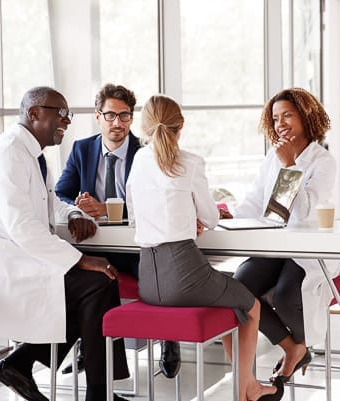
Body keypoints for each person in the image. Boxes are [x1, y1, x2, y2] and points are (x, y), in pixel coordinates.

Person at [0, 86, 129, 401]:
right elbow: (21, 225)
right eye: (61, 114)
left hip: (19, 259)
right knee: (98, 282)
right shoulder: (9, 153)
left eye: (68, 116)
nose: (67, 122)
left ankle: (27, 364)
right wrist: (78, 259)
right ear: (33, 114)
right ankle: (91, 391)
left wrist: (72, 213)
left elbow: (51, 199)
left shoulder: (31, 153)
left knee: (100, 282)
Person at [126, 95, 283, 401]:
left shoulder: (138, 160)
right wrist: (194, 218)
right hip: (184, 274)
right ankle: (247, 388)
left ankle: (245, 382)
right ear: (181, 126)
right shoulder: (191, 162)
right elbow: (210, 218)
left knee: (227, 301)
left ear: (143, 128)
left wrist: (182, 217)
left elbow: (136, 214)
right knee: (251, 305)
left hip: (149, 280)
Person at [54, 83, 180, 378]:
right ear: (98, 117)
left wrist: (111, 209)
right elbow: (59, 193)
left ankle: (169, 338)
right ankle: (90, 343)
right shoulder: (82, 149)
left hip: (138, 246)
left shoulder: (147, 151)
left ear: (132, 119)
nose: (117, 123)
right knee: (74, 274)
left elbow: (160, 201)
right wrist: (78, 206)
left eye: (124, 116)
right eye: (110, 116)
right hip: (96, 245)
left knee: (157, 277)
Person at [231, 87, 338, 383]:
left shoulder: (322, 162)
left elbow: (302, 212)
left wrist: (289, 165)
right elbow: (256, 200)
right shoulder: (273, 156)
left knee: (286, 294)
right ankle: (294, 348)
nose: (281, 124)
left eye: (287, 115)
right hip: (274, 243)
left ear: (306, 116)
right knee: (240, 289)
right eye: (276, 118)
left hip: (307, 251)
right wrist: (231, 215)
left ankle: (301, 346)